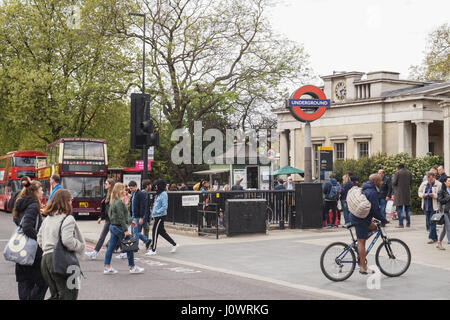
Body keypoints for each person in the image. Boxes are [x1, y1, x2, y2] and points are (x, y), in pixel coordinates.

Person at [38, 189, 85, 300]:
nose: (71, 203)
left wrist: (48, 247)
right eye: (70, 200)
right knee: (70, 295)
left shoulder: (48, 219)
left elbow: (39, 238)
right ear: (66, 202)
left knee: (56, 295)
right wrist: (80, 245)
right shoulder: (68, 218)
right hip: (65, 262)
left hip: (46, 261)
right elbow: (67, 240)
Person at [12, 180, 48, 300]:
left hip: (21, 250)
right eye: (41, 190)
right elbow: (27, 226)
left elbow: (17, 221)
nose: (42, 192)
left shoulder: (21, 203)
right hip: (32, 253)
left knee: (24, 282)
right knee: (42, 282)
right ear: (35, 192)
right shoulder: (33, 205)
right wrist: (39, 239)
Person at [350, 174, 388, 274]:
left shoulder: (365, 187)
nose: (382, 182)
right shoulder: (372, 192)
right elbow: (375, 210)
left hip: (360, 216)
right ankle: (363, 267)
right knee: (362, 242)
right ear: (375, 182)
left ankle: (359, 248)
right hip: (360, 219)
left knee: (373, 227)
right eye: (380, 181)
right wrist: (383, 220)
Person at [104, 183, 144, 274]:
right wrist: (125, 230)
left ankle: (107, 267)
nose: (125, 191)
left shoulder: (113, 201)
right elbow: (121, 217)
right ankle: (132, 267)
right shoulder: (118, 202)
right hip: (119, 227)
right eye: (123, 189)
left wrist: (130, 222)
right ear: (119, 190)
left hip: (113, 226)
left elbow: (116, 215)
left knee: (111, 248)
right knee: (129, 245)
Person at [85, 178, 115, 260]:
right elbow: (105, 208)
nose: (105, 185)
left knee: (118, 236)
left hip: (113, 219)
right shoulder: (107, 194)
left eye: (106, 184)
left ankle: (127, 251)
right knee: (103, 236)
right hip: (108, 219)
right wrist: (101, 217)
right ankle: (94, 253)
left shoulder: (114, 195)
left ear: (110, 185)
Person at [146, 179, 178, 256]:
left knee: (155, 231)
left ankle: (153, 249)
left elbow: (165, 206)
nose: (155, 187)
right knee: (162, 232)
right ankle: (174, 244)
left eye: (156, 185)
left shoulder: (163, 194)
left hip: (160, 216)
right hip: (157, 216)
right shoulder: (158, 194)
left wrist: (156, 212)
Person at [418, 172, 442, 244]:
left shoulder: (439, 184)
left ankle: (431, 238)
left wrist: (434, 195)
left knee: (432, 222)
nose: (429, 181)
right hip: (426, 205)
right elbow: (419, 192)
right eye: (428, 179)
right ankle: (435, 237)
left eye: (431, 180)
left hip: (434, 206)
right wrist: (423, 195)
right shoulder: (424, 183)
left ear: (433, 177)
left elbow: (440, 195)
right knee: (429, 222)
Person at [128, 180, 152, 250]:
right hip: (133, 216)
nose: (130, 190)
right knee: (134, 232)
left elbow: (142, 206)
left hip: (137, 216)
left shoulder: (140, 194)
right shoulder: (134, 194)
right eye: (130, 188)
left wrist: (141, 217)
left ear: (136, 186)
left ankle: (135, 247)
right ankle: (147, 240)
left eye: (131, 188)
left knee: (135, 232)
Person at [392, 164, 413, 228]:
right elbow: (411, 182)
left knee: (399, 209)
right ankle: (408, 223)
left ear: (398, 168)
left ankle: (401, 224)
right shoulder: (409, 172)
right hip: (407, 193)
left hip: (399, 193)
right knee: (407, 209)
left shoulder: (397, 173)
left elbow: (394, 182)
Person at [437, 177, 450, 250]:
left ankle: (439, 242)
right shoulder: (441, 191)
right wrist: (448, 197)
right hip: (444, 211)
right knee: (448, 227)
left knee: (445, 229)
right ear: (445, 182)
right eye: (449, 181)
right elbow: (440, 200)